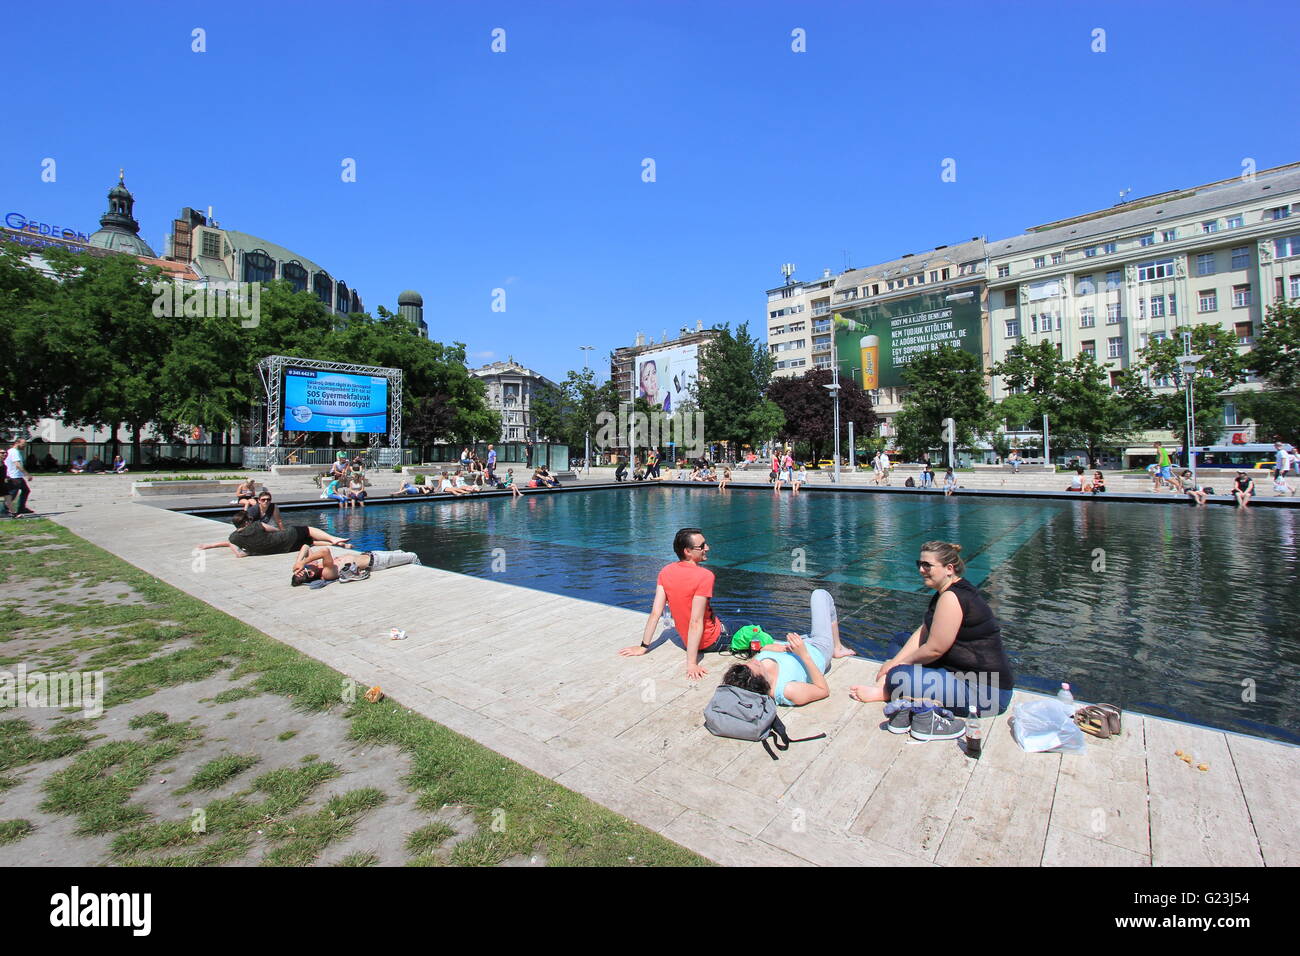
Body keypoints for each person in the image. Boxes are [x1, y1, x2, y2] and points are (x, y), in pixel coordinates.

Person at [849, 541, 1015, 726]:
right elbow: (924, 631)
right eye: (919, 564)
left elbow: (934, 649)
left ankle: (885, 691)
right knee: (900, 640)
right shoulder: (946, 591)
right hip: (957, 670)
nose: (921, 570)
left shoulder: (952, 598)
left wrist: (896, 666)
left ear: (949, 568)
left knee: (900, 673)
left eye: (927, 565)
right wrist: (894, 662)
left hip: (985, 693)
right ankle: (895, 682)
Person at [619, 527, 728, 681]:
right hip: (710, 640)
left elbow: (656, 613)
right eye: (702, 546)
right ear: (688, 551)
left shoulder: (666, 571)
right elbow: (695, 622)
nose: (707, 548)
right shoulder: (705, 576)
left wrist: (644, 646)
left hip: (687, 641)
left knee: (727, 622)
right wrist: (692, 663)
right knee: (747, 625)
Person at [721, 590, 858, 707]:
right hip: (819, 649)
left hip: (799, 646)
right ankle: (837, 647)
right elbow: (823, 690)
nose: (751, 662)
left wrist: (784, 648)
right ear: (757, 681)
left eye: (745, 665)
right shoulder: (788, 690)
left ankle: (829, 643)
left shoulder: (757, 669)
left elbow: (765, 649)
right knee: (820, 595)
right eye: (750, 667)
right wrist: (803, 654)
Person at [196, 512, 349, 557]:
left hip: (284, 549)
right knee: (308, 530)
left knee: (309, 542)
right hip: (284, 538)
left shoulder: (233, 538)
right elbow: (276, 530)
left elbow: (239, 554)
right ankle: (333, 538)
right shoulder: (257, 525)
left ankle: (339, 544)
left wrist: (211, 545)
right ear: (247, 522)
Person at [290, 545, 423, 586]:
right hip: (378, 562)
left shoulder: (317, 566)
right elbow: (325, 551)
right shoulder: (326, 572)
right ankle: (421, 580)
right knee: (412, 556)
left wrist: (299, 563)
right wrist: (303, 563)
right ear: (311, 574)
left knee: (401, 552)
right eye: (306, 569)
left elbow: (306, 547)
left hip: (372, 554)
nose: (306, 566)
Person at [4, 437, 34, 518]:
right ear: (17, 443)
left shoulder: (14, 451)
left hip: (17, 476)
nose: (24, 446)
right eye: (23, 444)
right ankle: (4, 510)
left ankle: (21, 508)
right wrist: (27, 474)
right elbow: (17, 465)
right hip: (14, 477)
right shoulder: (14, 452)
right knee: (12, 495)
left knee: (26, 490)